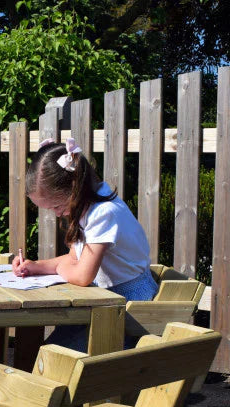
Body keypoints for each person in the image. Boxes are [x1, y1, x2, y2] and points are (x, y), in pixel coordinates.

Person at [14, 137, 158, 350]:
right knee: (51, 350)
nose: (55, 214)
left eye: (56, 206)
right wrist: (36, 266)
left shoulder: (104, 214)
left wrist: (62, 268)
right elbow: (74, 259)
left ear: (74, 188)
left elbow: (82, 275)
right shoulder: (87, 206)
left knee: (58, 354)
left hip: (128, 306)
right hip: (104, 299)